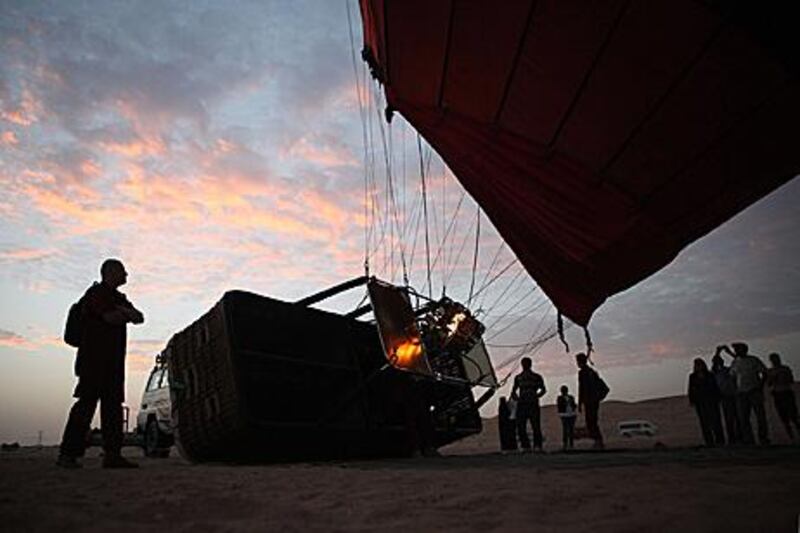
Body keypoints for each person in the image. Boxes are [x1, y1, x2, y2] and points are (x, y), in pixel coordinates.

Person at [57, 259, 145, 469]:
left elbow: (139, 317)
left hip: (114, 364)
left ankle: (112, 455)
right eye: (122, 271)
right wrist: (124, 314)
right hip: (93, 361)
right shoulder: (96, 295)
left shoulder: (118, 297)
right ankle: (68, 454)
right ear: (110, 273)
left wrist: (123, 313)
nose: (126, 275)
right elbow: (111, 318)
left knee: (113, 409)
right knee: (85, 406)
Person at [717, 343, 769, 446]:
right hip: (741, 393)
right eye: (735, 349)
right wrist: (735, 388)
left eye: (737, 349)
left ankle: (763, 438)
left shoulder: (753, 360)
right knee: (743, 418)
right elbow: (732, 376)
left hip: (754, 391)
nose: (736, 351)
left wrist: (760, 386)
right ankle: (749, 440)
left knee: (760, 417)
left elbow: (764, 372)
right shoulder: (736, 362)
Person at [510, 357, 546, 452]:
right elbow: (513, 391)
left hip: (532, 403)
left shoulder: (536, 377)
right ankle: (526, 446)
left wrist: (536, 396)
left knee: (535, 425)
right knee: (521, 425)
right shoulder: (518, 378)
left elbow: (543, 389)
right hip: (523, 404)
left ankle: (537, 445)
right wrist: (517, 398)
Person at [687, 358, 725, 446]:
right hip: (700, 402)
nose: (698, 366)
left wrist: (718, 397)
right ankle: (709, 442)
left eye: (699, 364)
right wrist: (692, 400)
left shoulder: (710, 375)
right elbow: (691, 389)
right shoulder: (692, 376)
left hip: (712, 401)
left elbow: (715, 387)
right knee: (704, 423)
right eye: (696, 364)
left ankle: (720, 441)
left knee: (716, 421)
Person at [765, 352, 800, 441]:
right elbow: (769, 383)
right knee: (784, 417)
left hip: (786, 392)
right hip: (778, 394)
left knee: (794, 416)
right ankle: (791, 437)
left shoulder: (784, 369)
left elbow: (790, 380)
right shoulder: (771, 371)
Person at [576, 352, 607, 449]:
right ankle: (598, 441)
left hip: (589, 400)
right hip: (593, 400)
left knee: (591, 421)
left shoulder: (583, 373)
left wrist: (580, 402)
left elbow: (582, 388)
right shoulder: (592, 372)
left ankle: (598, 441)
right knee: (592, 420)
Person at [711, 354, 740, 444]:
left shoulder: (729, 370)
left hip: (734, 395)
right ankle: (732, 439)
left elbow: (737, 361)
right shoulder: (715, 373)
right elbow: (714, 364)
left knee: (738, 418)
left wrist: (728, 352)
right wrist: (717, 352)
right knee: (729, 419)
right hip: (724, 397)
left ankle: (740, 437)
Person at [556, 385, 577, 451]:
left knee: (571, 429)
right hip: (564, 415)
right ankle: (565, 443)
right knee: (565, 429)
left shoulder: (571, 397)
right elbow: (560, 406)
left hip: (571, 414)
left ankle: (571, 443)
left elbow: (574, 405)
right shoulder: (560, 398)